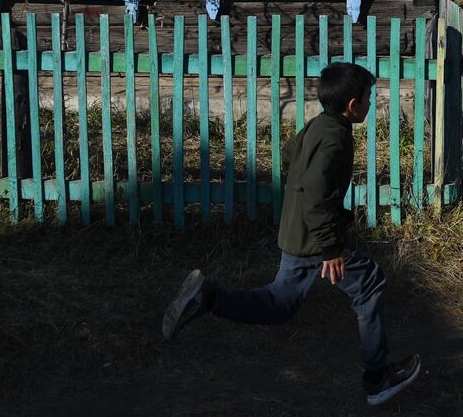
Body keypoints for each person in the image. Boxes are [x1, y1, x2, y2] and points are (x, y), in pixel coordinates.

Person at [161, 62, 421, 407]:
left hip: (298, 231)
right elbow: (315, 192)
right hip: (315, 239)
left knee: (279, 303)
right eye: (368, 98)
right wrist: (331, 248)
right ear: (352, 106)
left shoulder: (319, 125)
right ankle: (377, 379)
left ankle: (208, 298)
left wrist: (311, 206)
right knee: (370, 283)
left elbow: (289, 157)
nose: (370, 105)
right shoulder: (336, 138)